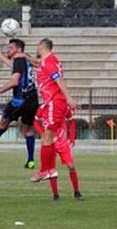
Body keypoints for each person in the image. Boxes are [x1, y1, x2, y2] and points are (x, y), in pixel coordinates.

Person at [25, 38, 83, 202]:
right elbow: (39, 65)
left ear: (42, 47)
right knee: (47, 137)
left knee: (47, 136)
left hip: (54, 102)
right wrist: (24, 57)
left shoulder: (49, 62)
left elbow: (59, 80)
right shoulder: (50, 61)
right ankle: (48, 170)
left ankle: (45, 170)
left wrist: (69, 98)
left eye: (37, 47)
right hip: (53, 102)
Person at [0, 39, 39, 169]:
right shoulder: (25, 60)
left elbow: (15, 81)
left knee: (5, 118)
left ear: (18, 49)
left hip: (20, 99)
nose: (8, 50)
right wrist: (0, 55)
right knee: (28, 129)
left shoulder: (19, 60)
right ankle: (31, 160)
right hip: (33, 99)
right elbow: (14, 66)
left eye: (10, 47)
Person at [34, 107, 80, 201]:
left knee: (71, 166)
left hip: (63, 143)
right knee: (51, 170)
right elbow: (35, 121)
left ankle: (76, 192)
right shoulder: (43, 108)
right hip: (49, 143)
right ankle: (55, 195)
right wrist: (42, 133)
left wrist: (72, 137)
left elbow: (71, 120)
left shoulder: (63, 107)